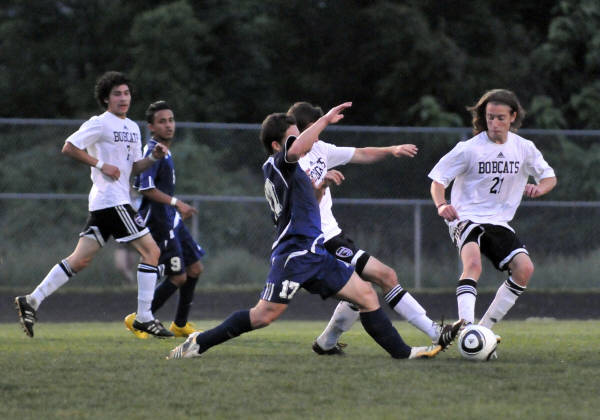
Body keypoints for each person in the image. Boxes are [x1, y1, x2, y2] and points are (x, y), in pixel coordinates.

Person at [167, 102, 442, 360]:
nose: (301, 142)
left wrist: (321, 186)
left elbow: (309, 201)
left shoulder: (291, 168)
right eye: (293, 138)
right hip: (294, 254)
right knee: (263, 316)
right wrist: (325, 120)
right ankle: (200, 342)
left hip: (315, 251)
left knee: (366, 295)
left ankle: (404, 353)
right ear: (276, 146)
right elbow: (297, 153)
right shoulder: (279, 163)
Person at [287, 102, 464, 355]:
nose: (317, 134)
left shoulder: (320, 149)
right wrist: (322, 184)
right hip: (320, 240)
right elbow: (304, 204)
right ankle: (436, 332)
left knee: (358, 292)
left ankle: (326, 343)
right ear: (300, 131)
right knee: (385, 276)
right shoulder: (289, 164)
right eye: (313, 129)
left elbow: (361, 153)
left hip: (334, 235)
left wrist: (391, 150)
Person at [14, 71, 172, 338]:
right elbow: (69, 146)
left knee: (80, 260)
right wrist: (100, 164)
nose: (123, 98)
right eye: (117, 94)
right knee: (151, 251)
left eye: (126, 93)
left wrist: (153, 158)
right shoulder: (100, 123)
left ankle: (32, 300)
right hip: (111, 200)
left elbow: (133, 168)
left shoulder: (133, 127)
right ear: (106, 99)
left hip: (108, 202)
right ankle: (144, 317)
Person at [428, 89, 557, 333]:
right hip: (465, 217)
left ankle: (482, 330)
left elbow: (549, 177)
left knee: (524, 269)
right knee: (473, 265)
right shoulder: (469, 148)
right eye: (490, 117)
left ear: (512, 117)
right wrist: (441, 204)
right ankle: (466, 328)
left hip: (498, 221)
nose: (494, 123)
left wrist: (540, 188)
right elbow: (438, 180)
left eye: (500, 117)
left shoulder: (524, 148)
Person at [124, 100, 205, 339]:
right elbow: (145, 188)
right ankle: (139, 319)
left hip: (172, 219)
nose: (168, 125)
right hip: (159, 222)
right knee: (178, 276)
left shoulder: (164, 150)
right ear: (151, 127)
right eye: (162, 122)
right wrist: (176, 202)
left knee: (195, 268)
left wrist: (175, 208)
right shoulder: (152, 152)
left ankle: (180, 324)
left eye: (171, 120)